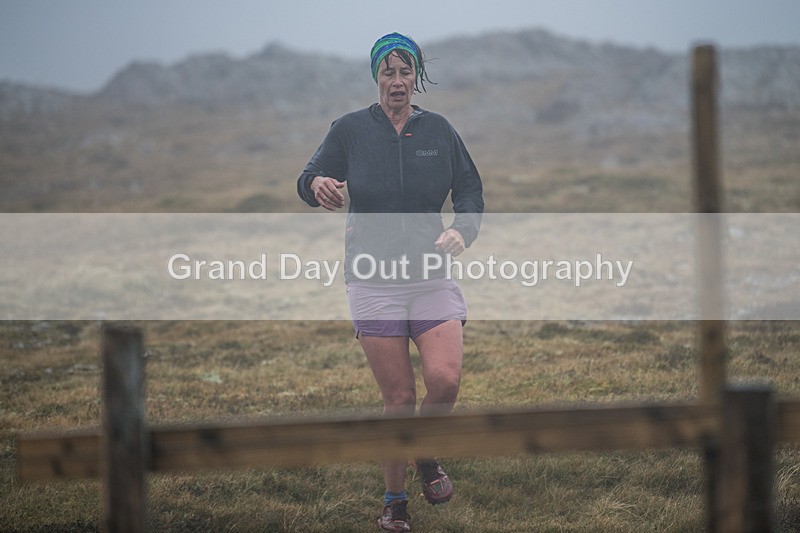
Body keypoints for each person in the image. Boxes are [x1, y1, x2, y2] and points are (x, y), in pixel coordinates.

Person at [297, 32, 483, 532]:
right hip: (373, 279)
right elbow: (308, 177)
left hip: (430, 275)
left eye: (405, 72)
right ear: (376, 77)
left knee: (445, 380)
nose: (397, 81)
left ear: (416, 78)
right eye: (388, 72)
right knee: (398, 398)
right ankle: (394, 501)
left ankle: (424, 451)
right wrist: (317, 184)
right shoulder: (350, 130)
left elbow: (470, 191)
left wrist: (462, 231)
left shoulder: (439, 131)